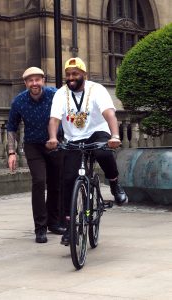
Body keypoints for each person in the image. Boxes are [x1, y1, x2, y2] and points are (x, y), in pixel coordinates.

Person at [46, 57, 128, 245]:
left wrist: (114, 135)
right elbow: (54, 119)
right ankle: (69, 227)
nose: (71, 78)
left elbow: (109, 113)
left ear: (85, 75)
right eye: (68, 75)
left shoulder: (96, 89)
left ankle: (115, 184)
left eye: (75, 74)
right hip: (74, 138)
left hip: (96, 132)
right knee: (67, 179)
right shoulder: (61, 93)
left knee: (103, 153)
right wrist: (52, 138)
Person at [7, 66, 65, 244]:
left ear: (43, 81)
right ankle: (40, 228)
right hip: (33, 145)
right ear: (25, 83)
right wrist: (11, 152)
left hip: (55, 142)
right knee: (39, 181)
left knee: (55, 183)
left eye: (37, 79)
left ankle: (53, 222)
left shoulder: (55, 95)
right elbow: (12, 127)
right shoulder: (19, 101)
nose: (34, 83)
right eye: (30, 80)